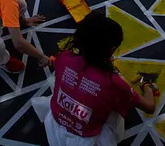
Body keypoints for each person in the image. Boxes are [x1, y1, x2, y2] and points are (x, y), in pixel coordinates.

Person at [44, 12, 159, 145]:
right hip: (86, 139)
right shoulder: (113, 83)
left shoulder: (65, 57)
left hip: (55, 125)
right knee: (116, 100)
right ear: (112, 50)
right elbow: (149, 107)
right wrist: (147, 87)